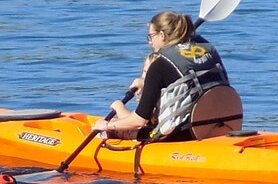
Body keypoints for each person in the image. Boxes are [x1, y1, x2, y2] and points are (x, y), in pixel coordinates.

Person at [92, 10, 235, 141]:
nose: (149, 42)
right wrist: (146, 85)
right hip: (222, 125)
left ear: (161, 35)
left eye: (150, 36)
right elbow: (187, 85)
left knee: (115, 131)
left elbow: (138, 121)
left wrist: (107, 126)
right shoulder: (208, 49)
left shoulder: (159, 65)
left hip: (181, 135)